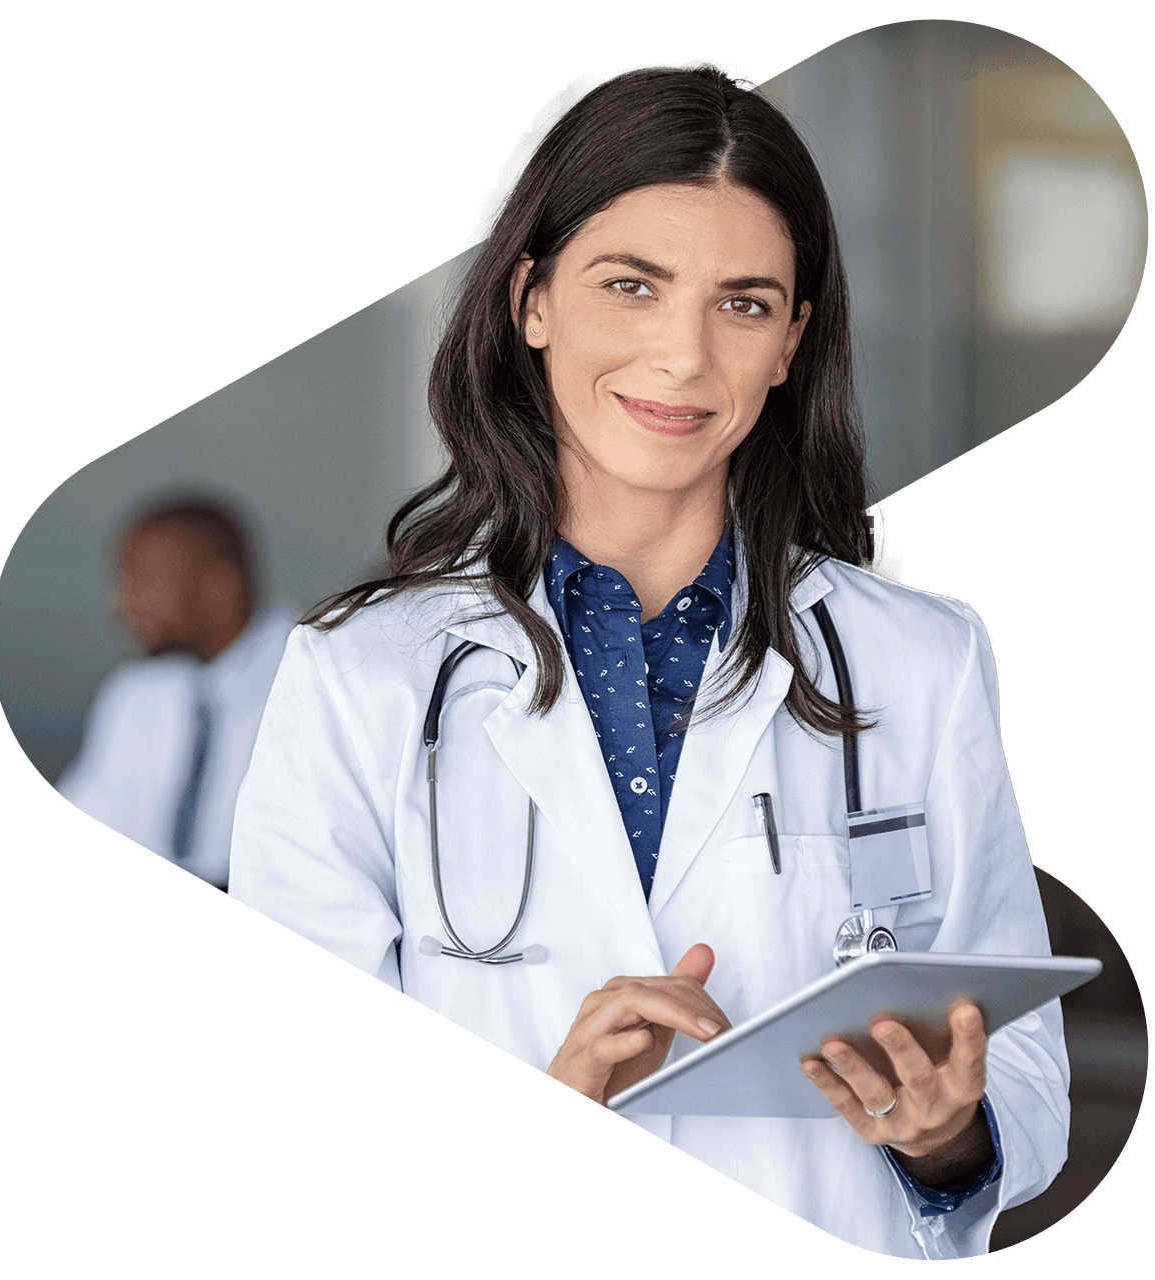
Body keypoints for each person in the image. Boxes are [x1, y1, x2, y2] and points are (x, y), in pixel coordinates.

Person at [228, 65, 1068, 1258]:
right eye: (631, 285)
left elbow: (1018, 1067)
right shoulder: (360, 673)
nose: (681, 357)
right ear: (532, 301)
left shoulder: (918, 659)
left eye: (741, 303)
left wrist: (945, 1131)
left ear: (789, 344)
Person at [58, 497, 294, 890]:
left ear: (219, 587)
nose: (122, 607)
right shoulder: (135, 696)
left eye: (143, 584)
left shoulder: (316, 685)